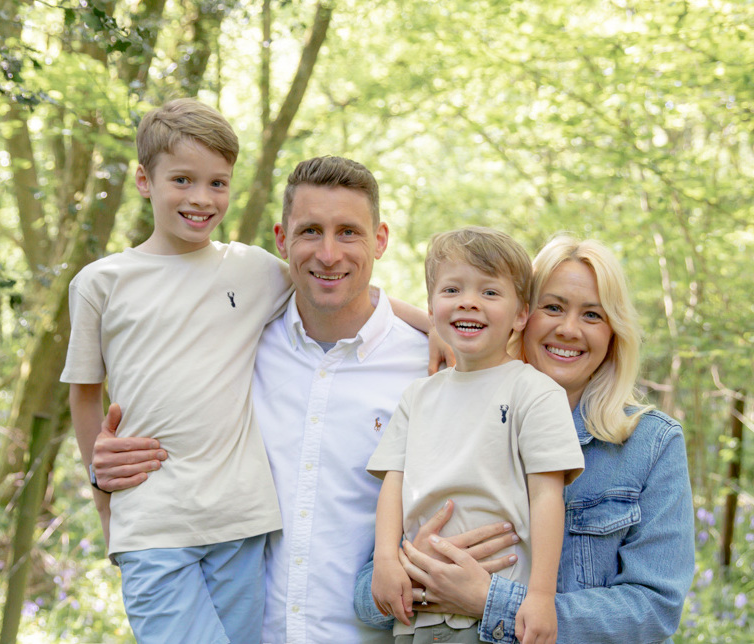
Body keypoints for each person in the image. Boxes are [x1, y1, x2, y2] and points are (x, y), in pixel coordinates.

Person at [89, 157, 488, 642]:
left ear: (380, 240)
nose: (328, 254)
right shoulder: (238, 344)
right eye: (310, 231)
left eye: (348, 233)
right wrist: (104, 471)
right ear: (281, 239)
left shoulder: (431, 369)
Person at [355, 234, 695, 643]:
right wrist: (421, 570)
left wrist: (491, 601)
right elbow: (366, 597)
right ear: (526, 314)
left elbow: (654, 611)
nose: (568, 329)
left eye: (592, 315)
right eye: (553, 307)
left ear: (613, 332)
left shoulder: (652, 443)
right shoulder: (439, 404)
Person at [61, 98, 292, 643]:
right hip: (152, 522)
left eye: (217, 183)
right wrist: (104, 501)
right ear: (144, 180)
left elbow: (344, 297)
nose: (201, 198)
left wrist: (436, 329)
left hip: (241, 520)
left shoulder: (254, 269)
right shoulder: (100, 284)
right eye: (182, 179)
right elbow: (85, 396)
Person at [368, 227, 585, 644]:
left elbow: (547, 496)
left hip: (492, 619)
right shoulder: (417, 396)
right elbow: (393, 483)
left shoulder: (534, 392)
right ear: (431, 309)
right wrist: (385, 560)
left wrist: (541, 596)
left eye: (489, 292)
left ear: (521, 315)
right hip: (417, 614)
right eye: (452, 289)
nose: (468, 301)